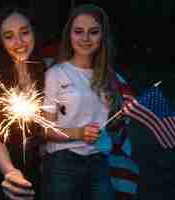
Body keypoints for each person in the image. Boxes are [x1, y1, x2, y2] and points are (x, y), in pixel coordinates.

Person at [41, 4, 120, 200]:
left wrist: (120, 116)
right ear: (69, 34)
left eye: (93, 32)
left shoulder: (108, 76)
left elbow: (110, 125)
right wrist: (79, 133)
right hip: (63, 162)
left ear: (102, 36)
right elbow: (45, 130)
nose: (85, 38)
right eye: (78, 31)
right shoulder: (56, 74)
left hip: (99, 159)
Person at [0, 5, 46, 200]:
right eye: (9, 36)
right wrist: (10, 172)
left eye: (24, 32)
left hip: (39, 168)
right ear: (0, 42)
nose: (19, 42)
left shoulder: (43, 69)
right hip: (3, 170)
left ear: (34, 31)